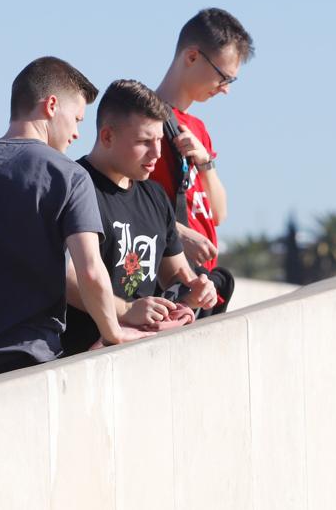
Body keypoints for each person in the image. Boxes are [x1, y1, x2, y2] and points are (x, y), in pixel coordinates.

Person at [0, 57, 141, 394]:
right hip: (27, 370)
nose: (78, 133)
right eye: (77, 118)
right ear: (51, 105)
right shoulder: (68, 175)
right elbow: (91, 272)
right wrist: (114, 334)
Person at [60, 80, 218, 356]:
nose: (156, 153)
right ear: (107, 136)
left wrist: (195, 290)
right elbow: (62, 275)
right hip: (79, 361)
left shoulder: (155, 197)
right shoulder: (73, 186)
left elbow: (175, 274)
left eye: (158, 140)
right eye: (145, 142)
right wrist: (125, 310)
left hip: (142, 357)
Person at [148, 8, 255, 315]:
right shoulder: (143, 122)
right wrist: (177, 233)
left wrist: (206, 162)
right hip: (171, 282)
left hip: (204, 283)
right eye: (223, 76)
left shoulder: (198, 129)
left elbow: (219, 213)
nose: (226, 89)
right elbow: (119, 201)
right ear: (192, 57)